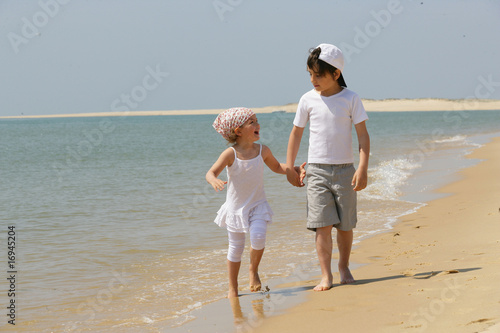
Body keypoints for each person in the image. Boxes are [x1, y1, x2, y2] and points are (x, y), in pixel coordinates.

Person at [286, 43, 370, 291]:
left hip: (346, 170)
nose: (313, 80)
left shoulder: (351, 98)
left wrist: (362, 167)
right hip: (316, 171)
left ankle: (343, 266)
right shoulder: (307, 99)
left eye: (318, 74)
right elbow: (296, 134)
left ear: (335, 73)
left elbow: (363, 136)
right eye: (310, 74)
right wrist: (289, 167)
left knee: (345, 226)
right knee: (321, 226)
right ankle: (326, 275)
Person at [206, 107, 306, 298]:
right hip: (236, 208)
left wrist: (292, 168)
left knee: (259, 237)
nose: (258, 124)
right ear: (238, 131)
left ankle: (253, 271)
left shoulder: (263, 150)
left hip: (258, 204)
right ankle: (233, 287)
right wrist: (214, 180)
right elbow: (210, 173)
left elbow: (277, 167)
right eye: (252, 122)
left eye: (257, 120)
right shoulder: (230, 154)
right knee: (235, 248)